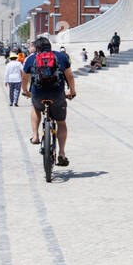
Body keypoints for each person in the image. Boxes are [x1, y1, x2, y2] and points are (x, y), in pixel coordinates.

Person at [23, 36, 76, 167]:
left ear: (36, 48)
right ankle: (62, 154)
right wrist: (72, 91)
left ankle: (35, 136)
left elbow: (24, 78)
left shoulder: (31, 58)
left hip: (38, 93)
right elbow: (69, 76)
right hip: (57, 94)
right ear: (50, 46)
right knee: (61, 122)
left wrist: (25, 91)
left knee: (36, 108)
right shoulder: (61, 57)